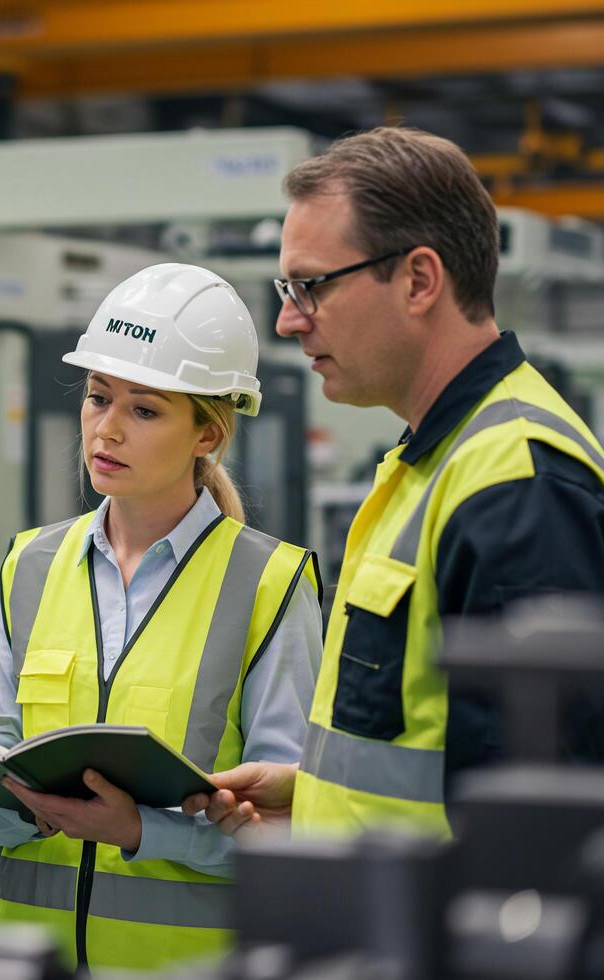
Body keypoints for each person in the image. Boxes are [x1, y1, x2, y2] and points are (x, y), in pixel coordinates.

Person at [184, 127, 604, 843]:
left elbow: (537, 830)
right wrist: (312, 794)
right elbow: (419, 747)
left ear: (418, 280)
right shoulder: (429, 464)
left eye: (310, 286)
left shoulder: (517, 485)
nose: (289, 320)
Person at [0, 263, 324, 973]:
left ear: (206, 435)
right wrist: (20, 805)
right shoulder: (30, 565)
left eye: (144, 410)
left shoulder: (270, 585)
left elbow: (295, 827)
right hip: (27, 961)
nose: (106, 429)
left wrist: (141, 831)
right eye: (97, 399)